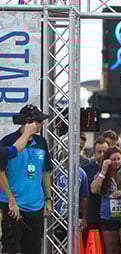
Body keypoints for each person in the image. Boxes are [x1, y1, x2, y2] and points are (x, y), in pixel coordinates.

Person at [0, 105, 53, 254]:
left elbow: (45, 171)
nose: (40, 125)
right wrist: (11, 200)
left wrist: (48, 198)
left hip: (35, 206)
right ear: (29, 122)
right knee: (11, 249)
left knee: (33, 249)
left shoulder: (41, 142)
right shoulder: (8, 141)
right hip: (13, 207)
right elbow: (1, 172)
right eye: (38, 121)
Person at [91, 146, 121, 254]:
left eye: (119, 159)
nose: (116, 162)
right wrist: (103, 171)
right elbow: (94, 190)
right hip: (108, 217)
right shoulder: (102, 175)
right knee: (112, 249)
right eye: (113, 159)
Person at [84, 137, 110, 240]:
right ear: (94, 153)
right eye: (99, 152)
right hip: (93, 216)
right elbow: (87, 193)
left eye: (105, 151)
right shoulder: (86, 170)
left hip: (112, 218)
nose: (102, 154)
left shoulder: (116, 168)